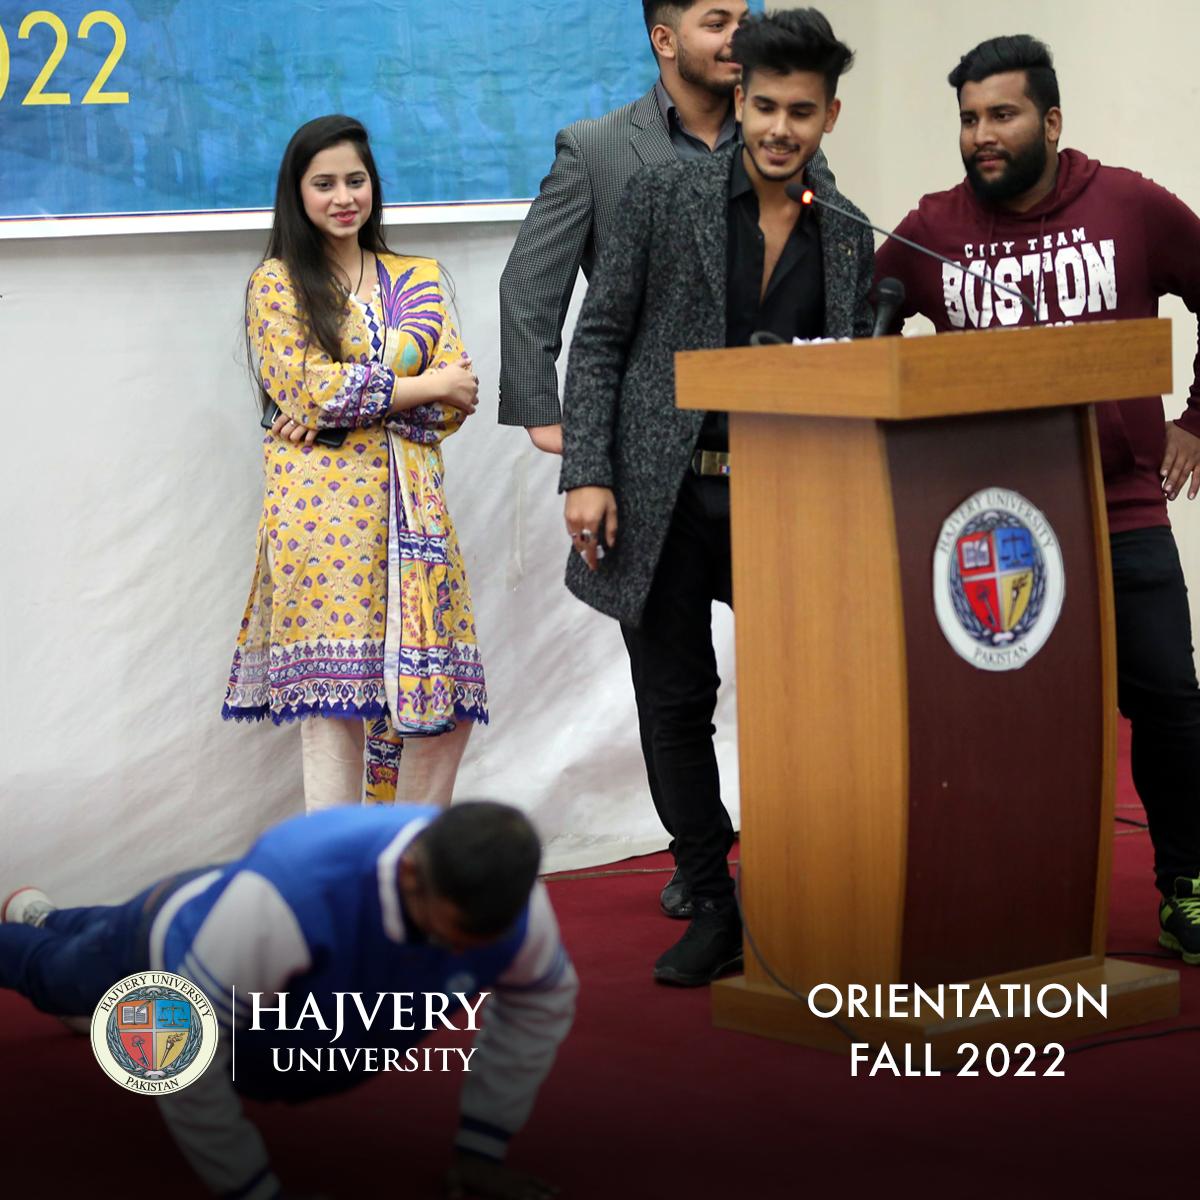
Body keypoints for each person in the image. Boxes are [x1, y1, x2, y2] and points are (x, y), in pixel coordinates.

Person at [560, 8, 873, 986]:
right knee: (675, 700)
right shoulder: (661, 195)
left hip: (787, 503)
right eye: (766, 107)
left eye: (802, 113)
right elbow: (600, 340)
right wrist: (589, 471)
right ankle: (708, 897)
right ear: (741, 100)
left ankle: (801, 883)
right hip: (662, 494)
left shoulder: (849, 233)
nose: (780, 129)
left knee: (805, 700)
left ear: (830, 117)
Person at [873, 34, 1200, 966]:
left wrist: (1197, 422)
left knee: (1171, 706)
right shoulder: (930, 230)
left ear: (1051, 122)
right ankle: (1009, 903)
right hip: (995, 529)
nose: (982, 134)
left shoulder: (1127, 205)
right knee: (1004, 725)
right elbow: (858, 330)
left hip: (1120, 507)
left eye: (1003, 115)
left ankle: (1187, 887)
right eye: (969, 119)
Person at [501, 0, 827, 923]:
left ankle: (809, 856)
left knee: (806, 677)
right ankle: (701, 865)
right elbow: (532, 285)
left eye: (747, 17)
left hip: (775, 466)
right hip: (653, 468)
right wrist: (563, 430)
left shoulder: (780, 137)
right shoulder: (601, 149)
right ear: (665, 38)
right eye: (718, 20)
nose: (737, 38)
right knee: (675, 690)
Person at [0, 801, 576, 1199]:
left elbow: (539, 1005)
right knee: (55, 973)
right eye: (449, 938)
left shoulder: (511, 900)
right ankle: (32, 930)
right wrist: (252, 1190)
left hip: (242, 932)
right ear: (408, 876)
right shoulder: (291, 894)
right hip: (167, 945)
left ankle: (47, 916)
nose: (461, 957)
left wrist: (482, 1147)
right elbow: (178, 1056)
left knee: (96, 936)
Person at [222, 115, 488, 812]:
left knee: (439, 706)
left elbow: (457, 403)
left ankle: (407, 858)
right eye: (324, 184)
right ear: (297, 193)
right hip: (321, 521)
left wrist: (348, 406)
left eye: (355, 180)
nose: (343, 197)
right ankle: (338, 868)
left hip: (413, 516)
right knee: (334, 707)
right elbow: (312, 390)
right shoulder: (277, 284)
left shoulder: (417, 278)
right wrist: (420, 385)